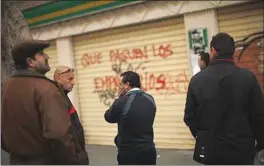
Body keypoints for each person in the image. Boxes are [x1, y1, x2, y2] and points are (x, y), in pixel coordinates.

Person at [1, 40, 88, 165]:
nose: (47, 56)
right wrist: (73, 161)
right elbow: (59, 134)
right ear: (30, 62)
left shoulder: (7, 88)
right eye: (41, 54)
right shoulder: (46, 88)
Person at [183, 33, 264, 165]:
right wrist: (260, 142)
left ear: (213, 51)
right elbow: (259, 116)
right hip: (242, 151)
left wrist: (202, 136)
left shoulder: (197, 80)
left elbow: (189, 117)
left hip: (211, 152)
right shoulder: (248, 78)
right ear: (232, 52)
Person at [104, 71, 157, 165]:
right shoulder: (150, 99)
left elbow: (109, 117)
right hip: (149, 151)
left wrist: (118, 98)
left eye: (120, 84)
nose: (119, 87)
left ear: (127, 84)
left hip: (129, 154)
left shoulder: (122, 101)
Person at [53, 66, 89, 164]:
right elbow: (62, 133)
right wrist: (75, 157)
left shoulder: (63, 95)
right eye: (70, 79)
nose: (73, 82)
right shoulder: (57, 99)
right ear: (58, 78)